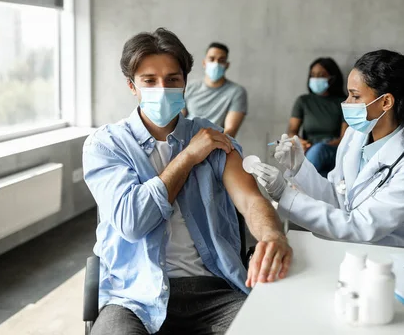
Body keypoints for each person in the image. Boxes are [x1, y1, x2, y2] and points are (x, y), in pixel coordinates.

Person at [83, 28, 292, 335]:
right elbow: (133, 221)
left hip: (214, 291)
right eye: (149, 80)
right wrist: (188, 156)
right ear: (132, 86)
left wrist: (272, 235)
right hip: (132, 296)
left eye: (172, 79)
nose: (162, 88)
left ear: (184, 82)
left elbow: (250, 200)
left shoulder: (214, 137)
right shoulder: (105, 145)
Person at [253, 50, 404, 249]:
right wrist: (299, 167)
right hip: (357, 252)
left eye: (355, 96)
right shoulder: (355, 136)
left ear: (385, 102)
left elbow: (361, 227)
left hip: (398, 257)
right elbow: (338, 198)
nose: (346, 103)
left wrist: (284, 194)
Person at [288, 57, 348, 177]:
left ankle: (298, 183)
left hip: (332, 150)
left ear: (332, 78)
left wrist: (321, 146)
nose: (316, 78)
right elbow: (291, 131)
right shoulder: (303, 101)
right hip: (308, 150)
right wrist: (300, 142)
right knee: (321, 176)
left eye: (321, 75)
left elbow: (345, 138)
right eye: (313, 75)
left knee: (318, 151)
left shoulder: (344, 103)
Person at [184, 42, 247, 138]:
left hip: (216, 144)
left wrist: (208, 146)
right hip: (185, 140)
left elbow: (231, 130)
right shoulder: (189, 87)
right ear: (204, 63)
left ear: (227, 65)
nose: (216, 64)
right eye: (211, 59)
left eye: (221, 60)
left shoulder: (237, 92)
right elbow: (177, 120)